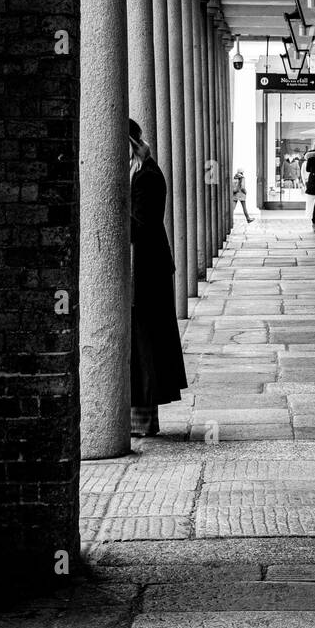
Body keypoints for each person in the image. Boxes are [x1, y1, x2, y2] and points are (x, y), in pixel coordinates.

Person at [128, 118, 187, 437]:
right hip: (146, 270)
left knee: (145, 344)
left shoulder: (146, 176)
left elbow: (141, 225)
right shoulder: (141, 172)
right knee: (142, 344)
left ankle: (142, 420)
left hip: (147, 272)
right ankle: (139, 419)